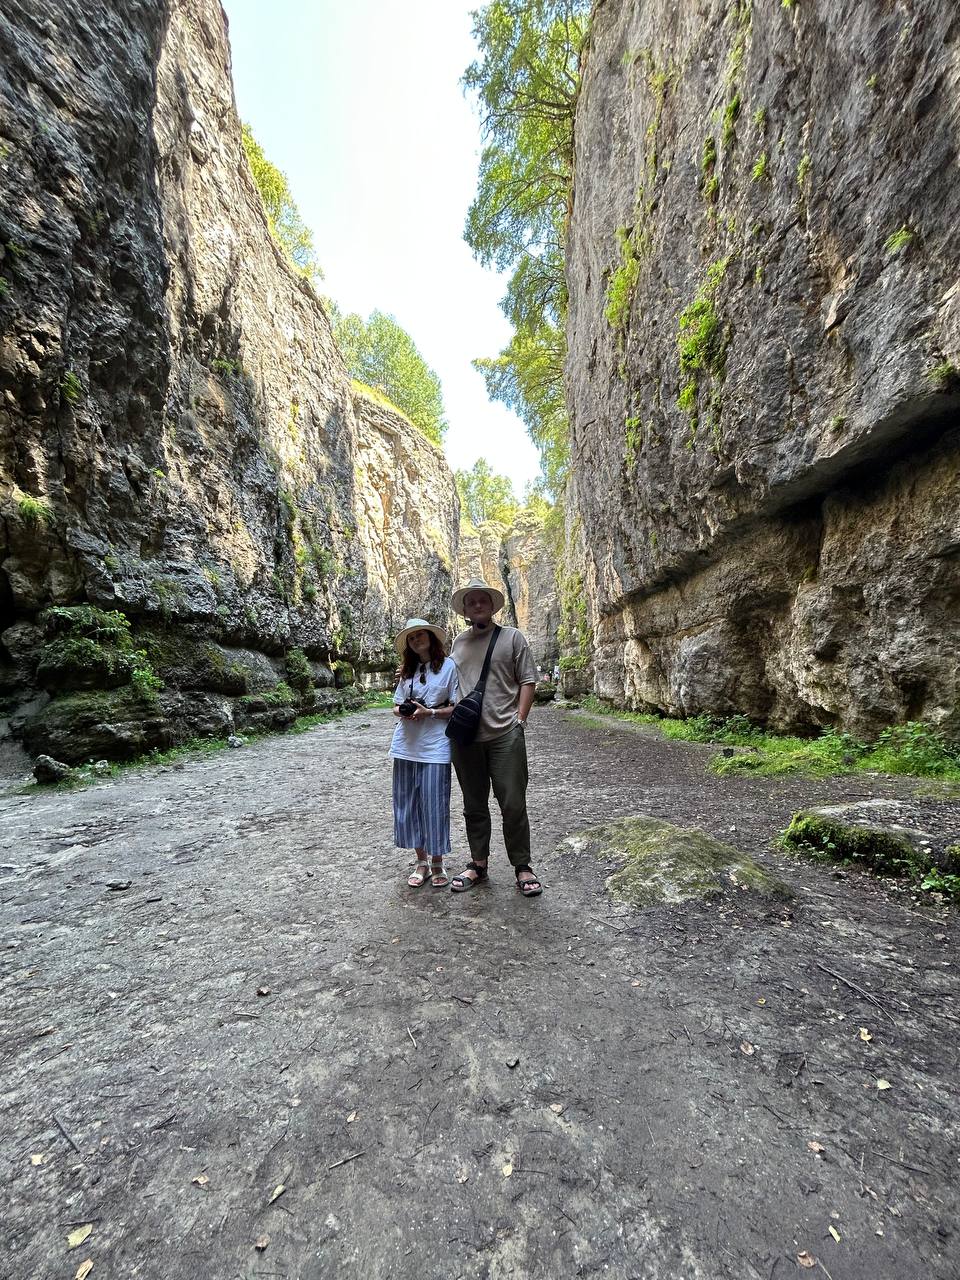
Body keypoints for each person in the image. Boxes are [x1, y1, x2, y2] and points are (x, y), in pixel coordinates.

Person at [447, 577, 543, 896]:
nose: (477, 605)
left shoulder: (512, 637)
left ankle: (522, 865)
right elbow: (447, 682)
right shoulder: (458, 643)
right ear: (465, 609)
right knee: (473, 804)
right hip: (466, 737)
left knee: (512, 802)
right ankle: (478, 863)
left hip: (505, 733)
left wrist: (520, 720)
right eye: (471, 602)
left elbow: (528, 680)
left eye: (483, 600)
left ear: (492, 606)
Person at [389, 618, 459, 888]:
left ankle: (438, 861)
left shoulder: (449, 666)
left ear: (431, 637)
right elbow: (396, 706)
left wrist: (429, 712)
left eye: (420, 634)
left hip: (435, 747)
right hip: (406, 746)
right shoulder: (407, 670)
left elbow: (456, 705)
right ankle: (421, 862)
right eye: (411, 637)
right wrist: (405, 711)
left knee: (434, 805)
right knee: (408, 804)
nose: (416, 639)